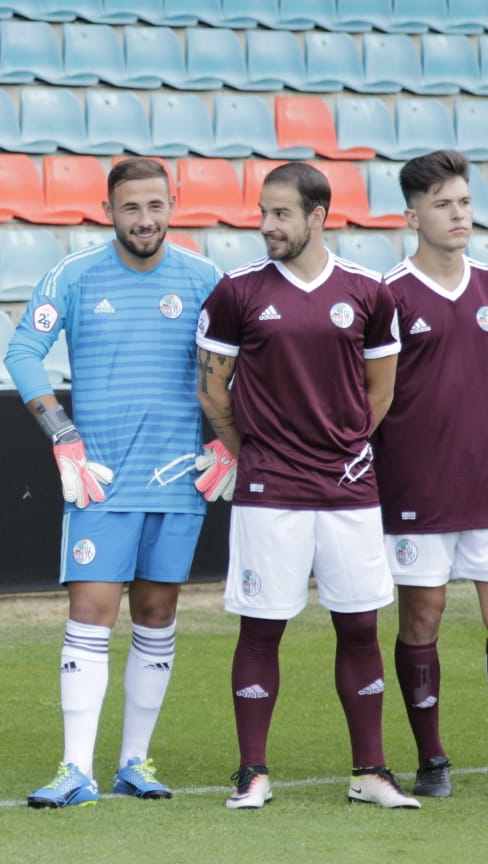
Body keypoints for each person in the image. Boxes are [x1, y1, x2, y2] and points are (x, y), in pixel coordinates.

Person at [195, 161, 418, 810]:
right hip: (271, 492)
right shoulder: (236, 292)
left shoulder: (371, 291)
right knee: (261, 629)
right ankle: (252, 773)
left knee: (360, 625)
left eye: (281, 214)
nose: (265, 225)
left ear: (319, 216)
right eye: (262, 212)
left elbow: (382, 392)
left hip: (350, 490)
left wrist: (343, 450)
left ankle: (370, 772)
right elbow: (213, 393)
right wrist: (259, 455)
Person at [4, 158, 224, 809]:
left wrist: (226, 442)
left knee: (157, 618)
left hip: (179, 482)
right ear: (109, 210)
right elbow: (21, 353)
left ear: (173, 203)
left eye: (156, 206)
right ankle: (75, 768)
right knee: (91, 614)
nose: (145, 220)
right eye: (131, 208)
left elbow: (236, 366)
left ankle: (135, 761)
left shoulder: (207, 280)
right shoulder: (73, 275)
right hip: (99, 482)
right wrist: (62, 437)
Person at [373, 149, 488, 799]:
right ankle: (433, 758)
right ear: (412, 213)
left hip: (487, 486)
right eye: (443, 204)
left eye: (464, 202)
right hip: (417, 489)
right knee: (424, 618)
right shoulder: (388, 296)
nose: (457, 215)